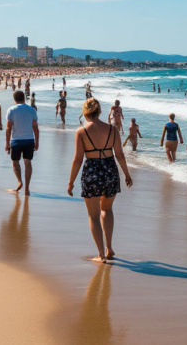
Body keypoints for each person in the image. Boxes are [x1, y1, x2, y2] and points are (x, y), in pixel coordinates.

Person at [67, 98, 133, 263]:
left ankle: (101, 255)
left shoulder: (81, 131)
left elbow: (77, 159)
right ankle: (109, 248)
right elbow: (120, 155)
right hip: (110, 170)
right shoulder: (113, 129)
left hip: (91, 171)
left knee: (93, 215)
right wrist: (127, 174)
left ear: (85, 111)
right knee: (107, 209)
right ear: (100, 111)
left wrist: (70, 182)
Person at [5, 90, 39, 196]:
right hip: (29, 140)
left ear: (14, 99)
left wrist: (7, 143)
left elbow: (8, 128)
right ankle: (27, 188)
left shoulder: (11, 110)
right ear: (24, 98)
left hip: (16, 140)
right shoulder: (32, 110)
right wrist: (37, 142)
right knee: (28, 163)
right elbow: (35, 128)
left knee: (15, 163)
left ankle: (19, 181)